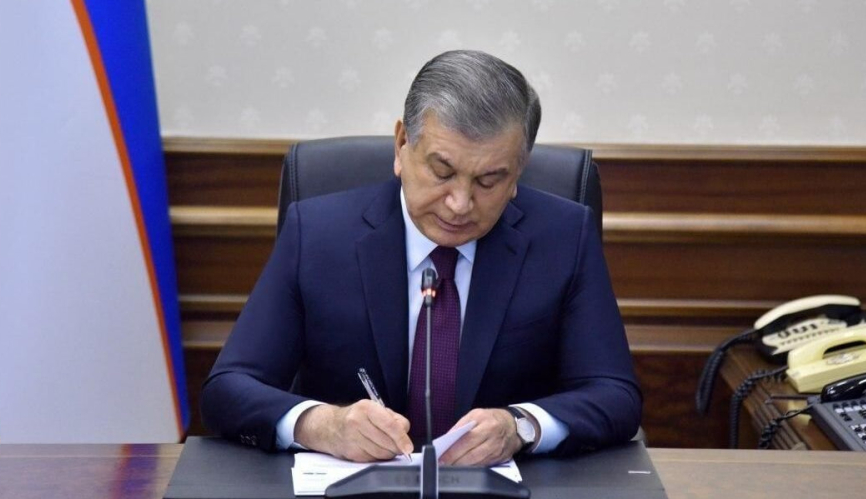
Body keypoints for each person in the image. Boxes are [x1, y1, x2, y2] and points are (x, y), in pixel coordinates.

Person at [201, 50, 641, 466]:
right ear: (401, 145)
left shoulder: (564, 237)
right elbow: (227, 389)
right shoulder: (317, 234)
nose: (460, 204)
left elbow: (615, 395)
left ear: (517, 173)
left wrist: (521, 427)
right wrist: (323, 425)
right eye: (442, 171)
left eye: (489, 181)